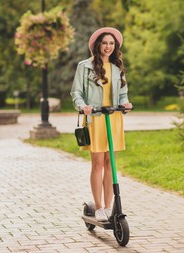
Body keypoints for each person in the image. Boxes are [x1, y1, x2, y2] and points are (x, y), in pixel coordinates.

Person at [70, 27, 133, 222]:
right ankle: (98, 207)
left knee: (110, 164)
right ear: (98, 45)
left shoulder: (117, 68)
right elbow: (76, 93)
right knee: (97, 163)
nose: (108, 47)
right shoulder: (85, 66)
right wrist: (83, 106)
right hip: (96, 118)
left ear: (116, 47)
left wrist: (125, 104)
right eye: (105, 43)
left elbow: (123, 94)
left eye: (112, 43)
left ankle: (108, 206)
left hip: (113, 118)